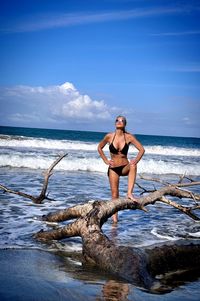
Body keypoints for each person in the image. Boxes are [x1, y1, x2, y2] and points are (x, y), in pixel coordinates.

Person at [97, 115, 145, 223]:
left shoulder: (129, 137)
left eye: (122, 120)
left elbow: (142, 150)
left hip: (125, 168)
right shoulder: (109, 136)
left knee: (133, 165)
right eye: (117, 120)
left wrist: (135, 160)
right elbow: (99, 147)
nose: (119, 122)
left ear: (125, 124)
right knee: (115, 195)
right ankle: (115, 221)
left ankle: (129, 193)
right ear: (115, 123)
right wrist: (105, 160)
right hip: (113, 169)